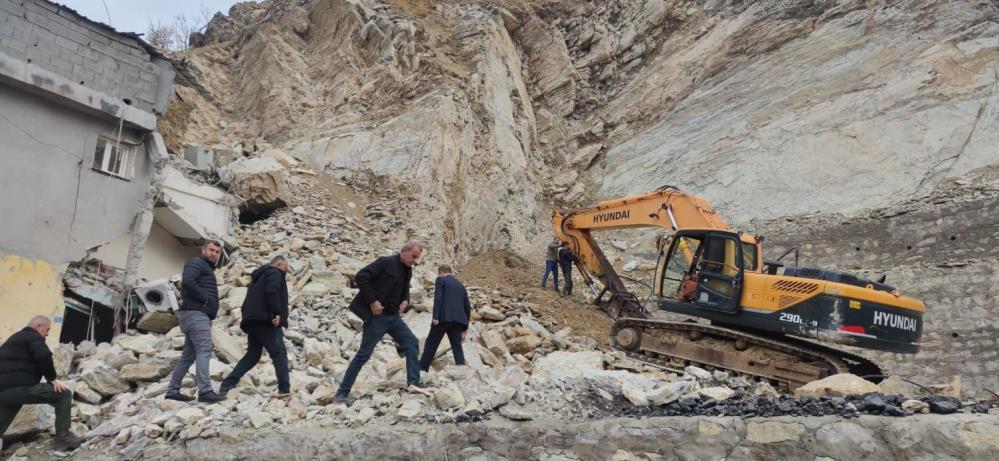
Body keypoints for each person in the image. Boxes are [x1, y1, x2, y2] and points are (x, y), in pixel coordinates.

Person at [336, 241, 426, 404]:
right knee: (363, 355)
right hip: (377, 318)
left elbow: (404, 288)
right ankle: (341, 394)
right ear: (404, 251)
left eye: (417, 258)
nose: (415, 260)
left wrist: (405, 300)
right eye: (413, 256)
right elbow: (361, 276)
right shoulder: (385, 262)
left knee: (412, 343)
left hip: (394, 318)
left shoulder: (408, 270)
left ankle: (413, 383)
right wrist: (372, 301)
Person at [0, 316, 84, 451]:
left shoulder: (12, 340)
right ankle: (63, 439)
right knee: (63, 394)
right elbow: (43, 355)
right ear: (38, 326)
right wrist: (52, 378)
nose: (47, 334)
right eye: (47, 330)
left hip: (4, 392)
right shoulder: (33, 337)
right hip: (22, 387)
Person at [220, 256, 290, 398]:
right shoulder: (275, 273)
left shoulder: (258, 277)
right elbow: (272, 291)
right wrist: (276, 313)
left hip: (252, 320)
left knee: (253, 355)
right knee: (279, 353)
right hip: (266, 320)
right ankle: (284, 389)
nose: (286, 271)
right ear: (279, 264)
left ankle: (227, 384)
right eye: (285, 267)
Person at [166, 240, 226, 403]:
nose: (213, 254)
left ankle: (172, 390)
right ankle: (205, 391)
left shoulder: (205, 267)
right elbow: (188, 282)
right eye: (211, 250)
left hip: (194, 315)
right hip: (196, 314)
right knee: (204, 349)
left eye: (217, 252)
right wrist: (206, 299)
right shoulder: (196, 263)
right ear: (203, 249)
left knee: (188, 356)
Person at [419, 265, 471, 372]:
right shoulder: (461, 285)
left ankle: (422, 370)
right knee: (457, 346)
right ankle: (461, 370)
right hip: (458, 321)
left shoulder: (441, 280)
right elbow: (467, 306)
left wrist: (436, 317)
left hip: (443, 318)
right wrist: (465, 326)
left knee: (431, 343)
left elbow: (438, 298)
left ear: (441, 272)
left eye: (439, 273)